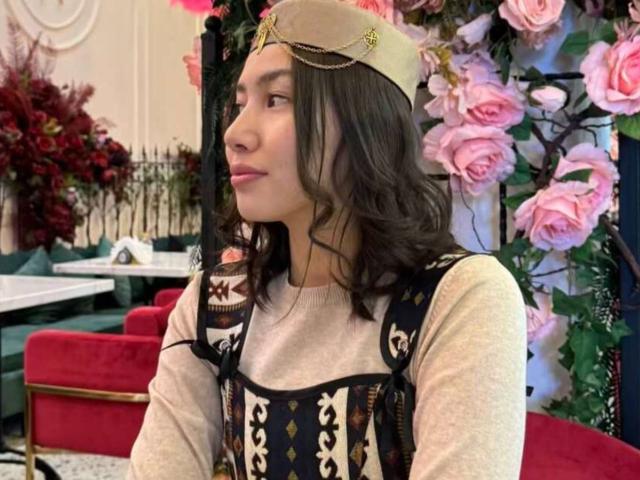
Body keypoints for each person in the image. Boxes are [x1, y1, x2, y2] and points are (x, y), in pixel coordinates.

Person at [127, 0, 527, 478]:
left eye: (276, 99)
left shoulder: (457, 298)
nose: (234, 133)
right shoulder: (214, 306)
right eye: (240, 104)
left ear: (364, 125)